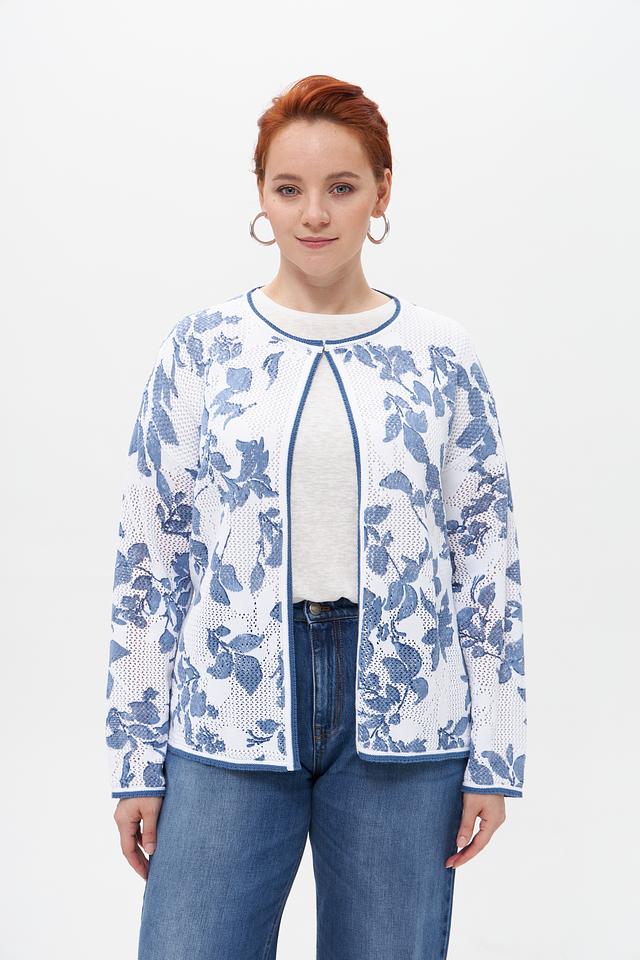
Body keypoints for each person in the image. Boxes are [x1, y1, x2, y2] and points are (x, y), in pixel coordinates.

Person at [106, 73, 527, 960]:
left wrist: (495, 750)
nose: (315, 214)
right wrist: (137, 755)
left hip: (406, 715)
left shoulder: (440, 355)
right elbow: (150, 555)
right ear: (260, 196)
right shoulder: (202, 348)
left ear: (382, 192)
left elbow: (485, 556)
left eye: (341, 186)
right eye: (289, 188)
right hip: (228, 708)